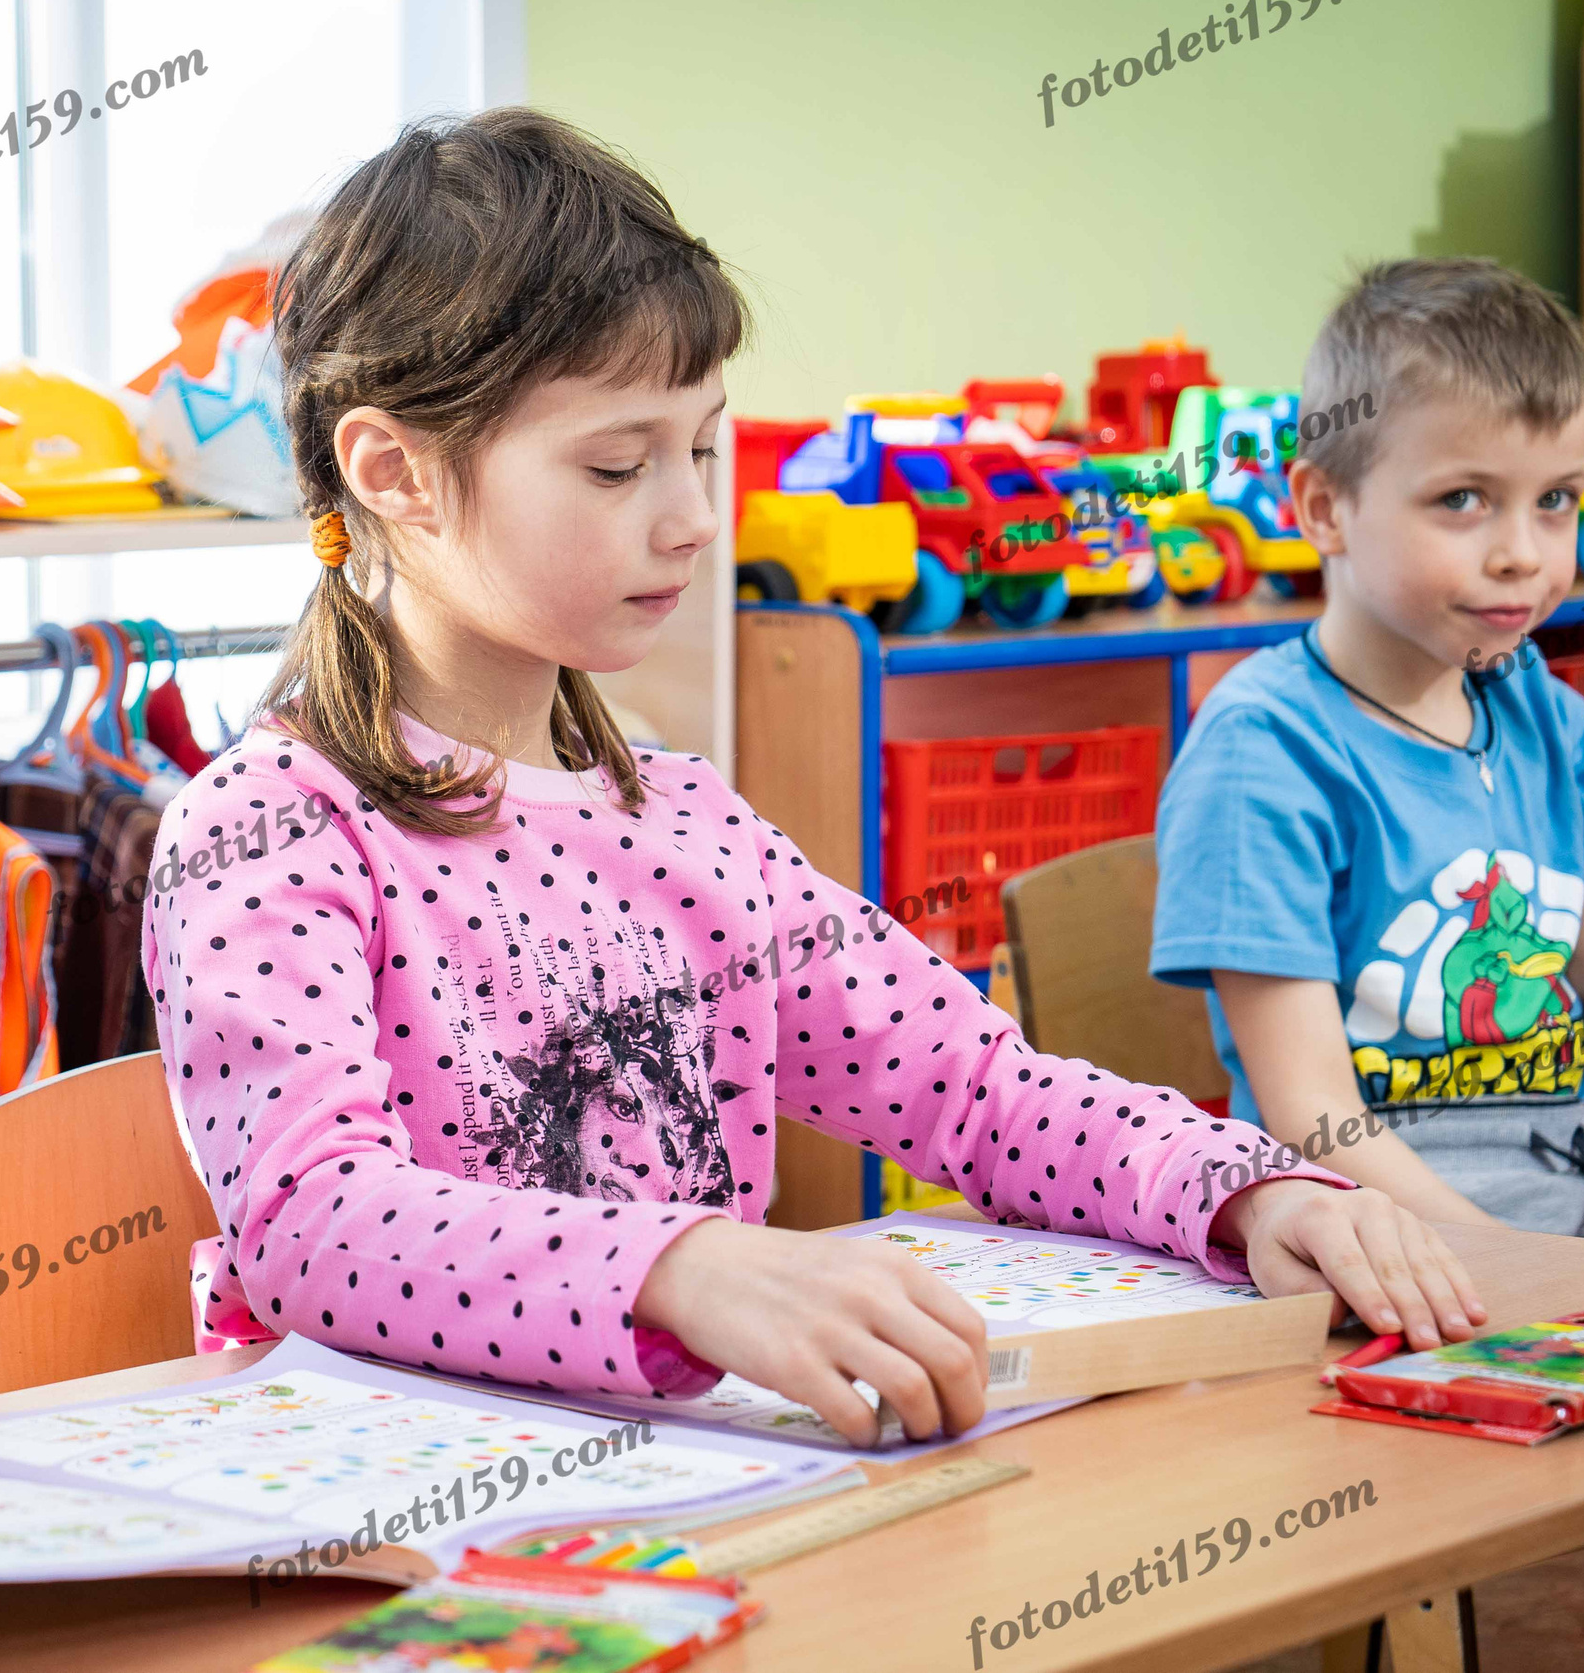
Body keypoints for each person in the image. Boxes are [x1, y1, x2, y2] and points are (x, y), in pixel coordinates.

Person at [142, 109, 1478, 1459]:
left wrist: (1246, 1187)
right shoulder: (265, 830)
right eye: (618, 463)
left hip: (687, 1503)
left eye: (701, 447)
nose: (692, 516)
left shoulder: (684, 822)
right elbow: (312, 1217)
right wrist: (695, 1267)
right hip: (386, 1533)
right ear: (394, 472)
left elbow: (978, 1088)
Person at [1153, 258, 1584, 1673]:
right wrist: (1516, 1265)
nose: (1525, 552)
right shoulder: (1268, 751)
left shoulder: (1549, 719)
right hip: (1369, 1265)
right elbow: (1308, 1120)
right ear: (1324, 505)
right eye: (1466, 501)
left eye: (1555, 500)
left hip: (1556, 1232)